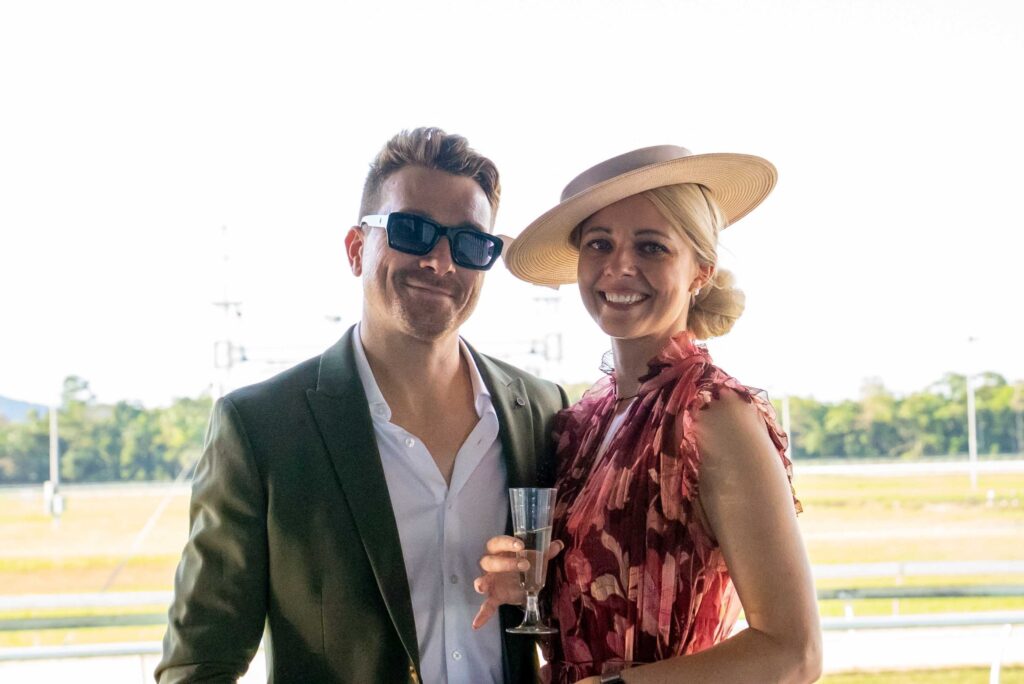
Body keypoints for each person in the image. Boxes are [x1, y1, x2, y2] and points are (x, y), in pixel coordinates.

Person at [156, 127, 568, 684]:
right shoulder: (262, 429)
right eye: (412, 230)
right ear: (356, 248)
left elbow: (580, 611)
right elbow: (199, 665)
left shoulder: (542, 412)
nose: (440, 262)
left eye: (470, 244)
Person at [474, 145, 822, 683]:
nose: (620, 267)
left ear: (700, 272)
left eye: (652, 246)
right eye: (599, 244)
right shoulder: (583, 422)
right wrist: (527, 588)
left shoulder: (711, 416)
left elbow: (794, 654)